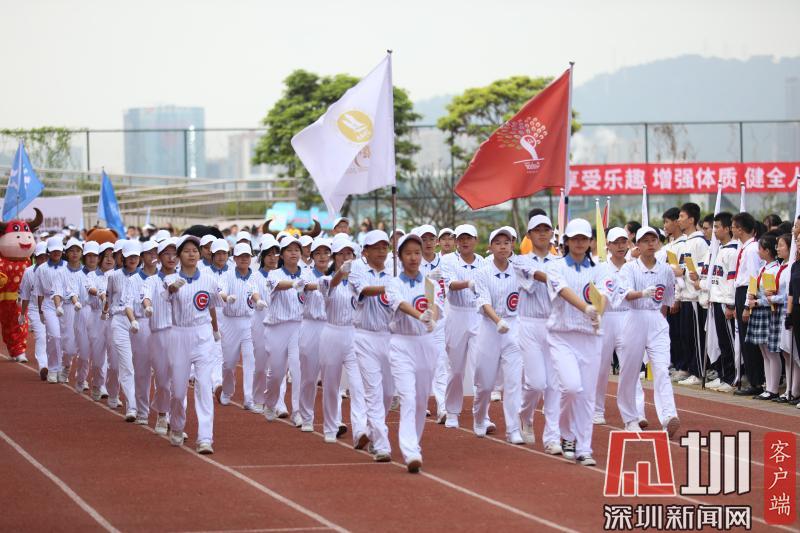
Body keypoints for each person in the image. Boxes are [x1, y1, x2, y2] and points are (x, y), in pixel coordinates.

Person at [543, 218, 608, 466]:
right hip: (562, 335)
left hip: (591, 338)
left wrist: (598, 309)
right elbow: (562, 290)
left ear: (591, 241)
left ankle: (584, 446)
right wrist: (586, 308)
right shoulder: (556, 267)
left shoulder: (600, 268)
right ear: (566, 242)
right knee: (571, 388)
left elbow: (605, 294)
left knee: (586, 395)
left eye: (584, 238)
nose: (579, 243)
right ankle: (565, 434)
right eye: (574, 239)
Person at [384, 232, 442, 472]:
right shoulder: (393, 283)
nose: (413, 257)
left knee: (420, 400)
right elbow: (400, 304)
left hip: (425, 344)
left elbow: (435, 306)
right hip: (401, 343)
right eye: (408, 253)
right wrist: (420, 315)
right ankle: (409, 451)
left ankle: (414, 443)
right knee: (407, 396)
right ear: (400, 257)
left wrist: (432, 319)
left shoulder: (429, 282)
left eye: (417, 253)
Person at [162, 235, 222, 454]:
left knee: (204, 387)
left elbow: (214, 304)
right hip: (179, 335)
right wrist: (172, 289)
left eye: (195, 251)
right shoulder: (170, 279)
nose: (191, 254)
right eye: (186, 251)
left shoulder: (208, 279)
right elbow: (165, 296)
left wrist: (215, 331)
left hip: (203, 336)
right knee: (178, 391)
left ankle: (205, 437)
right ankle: (177, 426)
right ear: (179, 256)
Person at [619, 227, 680, 436]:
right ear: (637, 244)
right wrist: (643, 293)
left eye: (653, 239)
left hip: (656, 320)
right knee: (632, 371)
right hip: (634, 317)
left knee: (662, 368)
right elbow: (626, 295)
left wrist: (659, 319)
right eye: (645, 240)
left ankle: (669, 415)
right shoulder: (629, 268)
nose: (650, 243)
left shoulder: (665, 270)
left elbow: (667, 300)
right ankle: (633, 416)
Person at [514, 215, 561, 452]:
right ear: (529, 235)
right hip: (530, 325)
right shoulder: (520, 261)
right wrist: (560, 279)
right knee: (535, 383)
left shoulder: (560, 261)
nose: (542, 234)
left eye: (546, 229)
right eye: (537, 230)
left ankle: (552, 436)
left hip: (554, 325)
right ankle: (525, 415)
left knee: (554, 384)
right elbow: (538, 277)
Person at [472, 227, 524, 443]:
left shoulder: (519, 270)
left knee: (513, 382)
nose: (503, 246)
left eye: (507, 242)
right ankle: (480, 417)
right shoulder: (482, 272)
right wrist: (497, 321)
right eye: (498, 243)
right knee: (485, 382)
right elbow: (483, 301)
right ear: (491, 247)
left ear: (512, 245)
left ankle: (513, 429)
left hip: (513, 327)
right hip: (489, 328)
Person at [347, 230, 395, 462]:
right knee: (374, 392)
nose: (381, 251)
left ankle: (369, 429)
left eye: (384, 246)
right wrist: (393, 289)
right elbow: (364, 290)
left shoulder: (394, 270)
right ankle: (381, 444)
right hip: (365, 337)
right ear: (365, 251)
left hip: (390, 337)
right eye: (376, 247)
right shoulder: (357, 268)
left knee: (388, 393)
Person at [592, 227, 647, 428]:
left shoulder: (634, 267)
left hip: (627, 318)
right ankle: (597, 410)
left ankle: (637, 412)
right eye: (616, 243)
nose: (621, 246)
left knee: (631, 368)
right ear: (608, 245)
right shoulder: (600, 268)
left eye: (624, 242)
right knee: (601, 368)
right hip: (606, 319)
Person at [319, 239, 369, 445]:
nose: (345, 258)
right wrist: (341, 273)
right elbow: (331, 285)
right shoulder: (325, 280)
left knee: (358, 386)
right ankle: (331, 426)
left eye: (349, 254)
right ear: (335, 257)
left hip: (354, 335)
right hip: (332, 333)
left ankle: (360, 430)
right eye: (341, 254)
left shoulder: (361, 284)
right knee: (331, 385)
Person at [440, 224, 484, 429]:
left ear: (475, 240)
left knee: (480, 367)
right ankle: (452, 411)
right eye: (461, 238)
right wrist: (469, 283)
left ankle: (481, 414)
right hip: (456, 316)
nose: (464, 242)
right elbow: (450, 284)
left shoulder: (483, 262)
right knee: (456, 370)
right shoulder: (448, 260)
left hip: (477, 315)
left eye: (469, 238)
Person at [262, 236, 306, 422]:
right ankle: (271, 402)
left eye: (297, 250)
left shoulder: (307, 273)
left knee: (297, 369)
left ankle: (297, 412)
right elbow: (278, 286)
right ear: (282, 254)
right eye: (289, 250)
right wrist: (294, 284)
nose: (293, 253)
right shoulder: (274, 274)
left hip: (299, 326)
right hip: (277, 328)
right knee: (277, 372)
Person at [216, 243, 265, 408]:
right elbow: (221, 291)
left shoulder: (254, 276)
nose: (244, 259)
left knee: (250, 360)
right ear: (234, 258)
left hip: (248, 321)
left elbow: (254, 292)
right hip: (230, 322)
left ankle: (249, 398)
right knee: (229, 363)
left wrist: (258, 301)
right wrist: (226, 297)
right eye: (241, 256)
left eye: (247, 256)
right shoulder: (227, 275)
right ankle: (227, 391)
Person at [141, 237, 179, 435]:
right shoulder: (152, 281)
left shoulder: (185, 278)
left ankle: (177, 422)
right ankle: (162, 414)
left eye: (175, 254)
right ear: (159, 257)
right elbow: (145, 296)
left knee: (179, 380)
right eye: (167, 254)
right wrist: (148, 306)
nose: (171, 258)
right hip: (159, 334)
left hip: (181, 334)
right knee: (164, 381)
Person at [103, 240, 142, 421]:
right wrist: (106, 313)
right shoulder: (113, 276)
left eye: (136, 256)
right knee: (125, 365)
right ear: (123, 258)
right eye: (130, 256)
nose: (133, 259)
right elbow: (109, 297)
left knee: (140, 365)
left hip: (140, 321)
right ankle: (131, 406)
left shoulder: (145, 277)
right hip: (118, 320)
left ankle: (140, 403)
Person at [296, 238, 331, 430]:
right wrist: (325, 283)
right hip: (310, 326)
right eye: (318, 253)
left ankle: (334, 418)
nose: (322, 256)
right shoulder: (306, 275)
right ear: (312, 256)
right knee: (309, 377)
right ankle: (307, 416)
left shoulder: (337, 274)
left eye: (326, 253)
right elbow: (304, 286)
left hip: (332, 327)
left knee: (332, 377)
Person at [701, 212, 738, 393]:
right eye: (713, 227)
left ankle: (732, 377)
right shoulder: (719, 250)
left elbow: (731, 280)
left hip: (725, 302)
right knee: (721, 342)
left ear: (727, 228)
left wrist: (731, 304)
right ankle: (724, 375)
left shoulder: (732, 251)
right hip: (715, 300)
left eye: (717, 227)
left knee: (729, 342)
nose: (714, 231)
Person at [744, 233, 783, 400]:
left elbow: (771, 297)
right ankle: (768, 386)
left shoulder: (773, 270)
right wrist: (751, 300)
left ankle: (773, 388)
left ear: (767, 251)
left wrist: (757, 302)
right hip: (758, 310)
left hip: (767, 312)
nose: (758, 252)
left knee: (771, 352)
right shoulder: (763, 269)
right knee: (764, 352)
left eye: (760, 248)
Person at [675, 203, 709, 386]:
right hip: (686, 296)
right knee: (686, 335)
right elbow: (680, 266)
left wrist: (687, 274)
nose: (678, 220)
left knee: (696, 336)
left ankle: (699, 370)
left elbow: (704, 268)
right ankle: (690, 367)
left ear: (691, 219)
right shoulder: (685, 242)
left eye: (681, 217)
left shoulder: (699, 242)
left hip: (695, 297)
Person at [732, 213, 765, 396]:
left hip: (747, 291)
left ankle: (756, 381)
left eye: (734, 226)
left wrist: (747, 304)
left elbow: (753, 277)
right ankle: (754, 379)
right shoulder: (745, 248)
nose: (732, 229)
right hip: (740, 291)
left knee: (749, 340)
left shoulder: (752, 249)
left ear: (740, 229)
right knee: (744, 339)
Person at [126, 240, 159, 424]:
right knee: (142, 371)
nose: (153, 255)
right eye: (149, 253)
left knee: (164, 371)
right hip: (142, 324)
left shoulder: (166, 278)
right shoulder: (133, 280)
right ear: (142, 256)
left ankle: (165, 413)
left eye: (156, 252)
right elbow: (128, 304)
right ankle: (142, 411)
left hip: (163, 325)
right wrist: (133, 321)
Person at [250, 234, 280, 413]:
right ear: (262, 257)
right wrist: (258, 300)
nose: (272, 258)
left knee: (277, 367)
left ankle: (276, 401)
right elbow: (253, 291)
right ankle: (258, 398)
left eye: (276, 254)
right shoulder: (255, 276)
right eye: (269, 254)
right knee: (261, 365)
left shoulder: (282, 276)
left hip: (279, 325)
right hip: (260, 324)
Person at [86, 243, 115, 400]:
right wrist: (102, 294)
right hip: (96, 317)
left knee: (114, 358)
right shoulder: (92, 276)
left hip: (113, 319)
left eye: (112, 256)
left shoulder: (118, 275)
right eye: (106, 256)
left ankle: (112, 389)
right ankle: (98, 383)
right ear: (100, 258)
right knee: (98, 358)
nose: (109, 259)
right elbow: (91, 288)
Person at [36, 236, 67, 384]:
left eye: (59, 251)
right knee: (54, 336)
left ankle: (62, 368)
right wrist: (41, 312)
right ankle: (53, 369)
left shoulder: (67, 266)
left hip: (66, 304)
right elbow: (39, 291)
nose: (56, 253)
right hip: (49, 304)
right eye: (53, 251)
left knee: (65, 338)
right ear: (49, 251)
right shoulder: (41, 269)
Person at [19, 242, 49, 376]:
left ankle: (55, 365)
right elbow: (25, 294)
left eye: (45, 257)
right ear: (35, 257)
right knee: (41, 337)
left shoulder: (55, 271)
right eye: (40, 257)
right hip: (34, 308)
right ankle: (43, 365)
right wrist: (22, 314)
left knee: (55, 338)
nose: (43, 260)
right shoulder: (28, 272)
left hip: (51, 308)